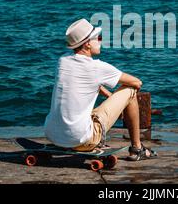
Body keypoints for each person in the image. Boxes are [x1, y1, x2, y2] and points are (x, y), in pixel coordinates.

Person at [44, 18, 157, 161]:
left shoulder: (63, 61)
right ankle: (137, 148)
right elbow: (137, 82)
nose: (101, 41)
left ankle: (70, 140)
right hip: (82, 140)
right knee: (130, 90)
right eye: (98, 38)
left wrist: (110, 96)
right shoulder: (97, 68)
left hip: (53, 135)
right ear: (87, 44)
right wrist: (120, 102)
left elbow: (88, 81)